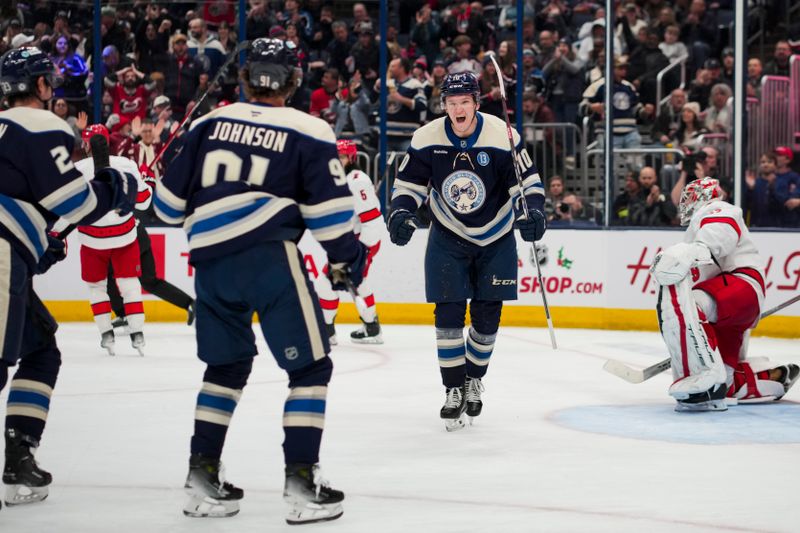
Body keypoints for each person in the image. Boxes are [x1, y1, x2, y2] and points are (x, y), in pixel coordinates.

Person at [154, 38, 366, 524]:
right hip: (269, 259)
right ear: (293, 81)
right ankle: (300, 483)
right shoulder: (309, 128)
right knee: (310, 370)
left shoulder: (207, 124)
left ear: (245, 78)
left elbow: (164, 209)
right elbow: (333, 221)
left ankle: (201, 477)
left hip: (208, 266)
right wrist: (349, 261)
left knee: (224, 371)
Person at [0, 47, 137, 507]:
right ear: (40, 86)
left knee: (40, 349)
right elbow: (74, 201)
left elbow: (24, 201)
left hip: (8, 253)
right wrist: (114, 187)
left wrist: (41, 242)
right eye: (48, 81)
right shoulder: (38, 124)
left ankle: (19, 458)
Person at [387, 72, 546, 431]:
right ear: (444, 105)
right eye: (451, 102)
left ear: (476, 103)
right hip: (448, 235)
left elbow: (528, 184)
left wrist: (532, 211)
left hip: (496, 235)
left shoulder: (503, 135)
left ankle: (474, 378)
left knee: (487, 320)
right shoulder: (426, 137)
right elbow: (408, 185)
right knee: (447, 315)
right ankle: (453, 388)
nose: (457, 109)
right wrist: (400, 212)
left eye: (464, 102)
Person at [650, 177, 798, 411]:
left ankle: (702, 372)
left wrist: (695, 250)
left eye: (689, 197)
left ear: (703, 196)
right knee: (725, 384)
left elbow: (720, 231)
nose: (685, 203)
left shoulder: (717, 209)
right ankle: (774, 376)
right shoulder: (697, 227)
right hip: (730, 309)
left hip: (739, 286)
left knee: (686, 298)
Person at [71, 125, 150, 356]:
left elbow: (66, 206)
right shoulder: (127, 165)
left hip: (91, 238)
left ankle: (106, 333)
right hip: (124, 235)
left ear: (86, 144)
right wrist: (147, 182)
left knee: (97, 287)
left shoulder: (76, 169)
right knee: (129, 284)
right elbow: (144, 202)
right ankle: (137, 333)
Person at [315, 139, 384, 345]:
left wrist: (362, 250)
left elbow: (371, 218)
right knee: (352, 282)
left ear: (351, 158)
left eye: (342, 157)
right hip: (347, 242)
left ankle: (331, 333)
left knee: (329, 282)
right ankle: (370, 328)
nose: (337, 160)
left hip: (360, 242)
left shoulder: (357, 179)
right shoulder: (337, 178)